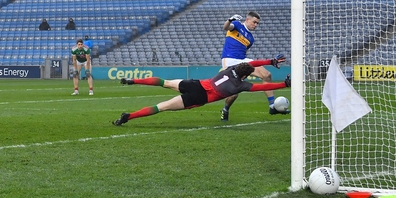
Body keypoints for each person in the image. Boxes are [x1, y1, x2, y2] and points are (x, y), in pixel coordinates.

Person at [112, 58, 289, 126]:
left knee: (164, 82)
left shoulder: (231, 68)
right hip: (200, 96)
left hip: (196, 84)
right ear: (246, 75)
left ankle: (132, 80)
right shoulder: (240, 86)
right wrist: (284, 84)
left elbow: (254, 63)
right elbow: (263, 87)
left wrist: (270, 60)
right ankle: (128, 116)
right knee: (162, 107)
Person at [219, 12, 285, 121]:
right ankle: (225, 109)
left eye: (257, 23)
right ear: (247, 20)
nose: (256, 25)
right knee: (234, 93)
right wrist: (230, 20)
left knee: (267, 75)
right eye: (254, 22)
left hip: (243, 60)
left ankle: (272, 106)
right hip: (230, 60)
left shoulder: (251, 38)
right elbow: (225, 27)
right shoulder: (237, 25)